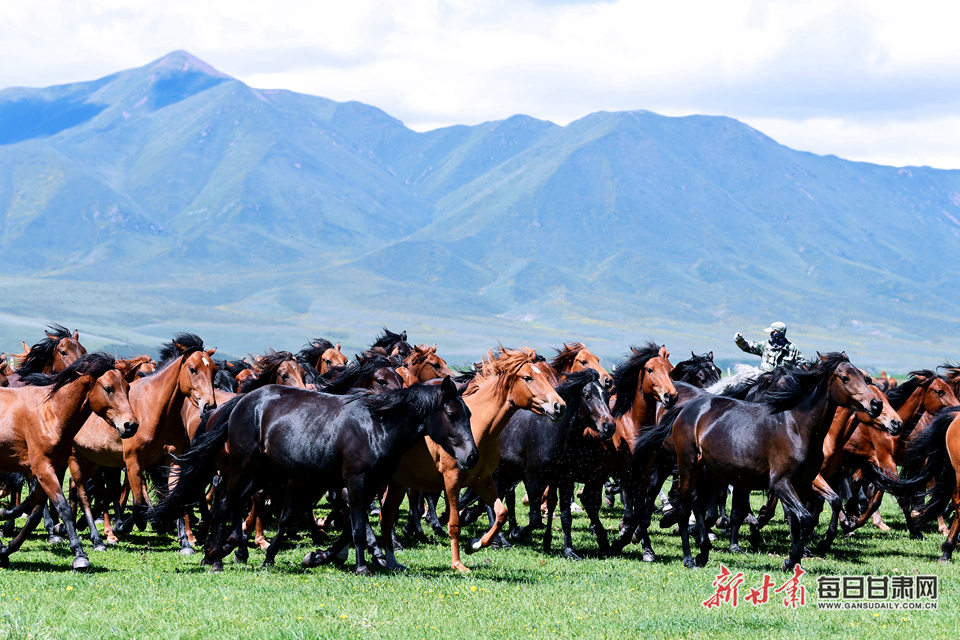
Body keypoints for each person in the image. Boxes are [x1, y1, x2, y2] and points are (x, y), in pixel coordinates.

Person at [734, 321, 807, 372]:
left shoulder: (792, 348)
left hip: (785, 384)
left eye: (773, 332)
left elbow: (801, 365)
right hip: (765, 380)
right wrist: (740, 340)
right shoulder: (765, 345)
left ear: (780, 333)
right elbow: (747, 346)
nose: (771, 334)